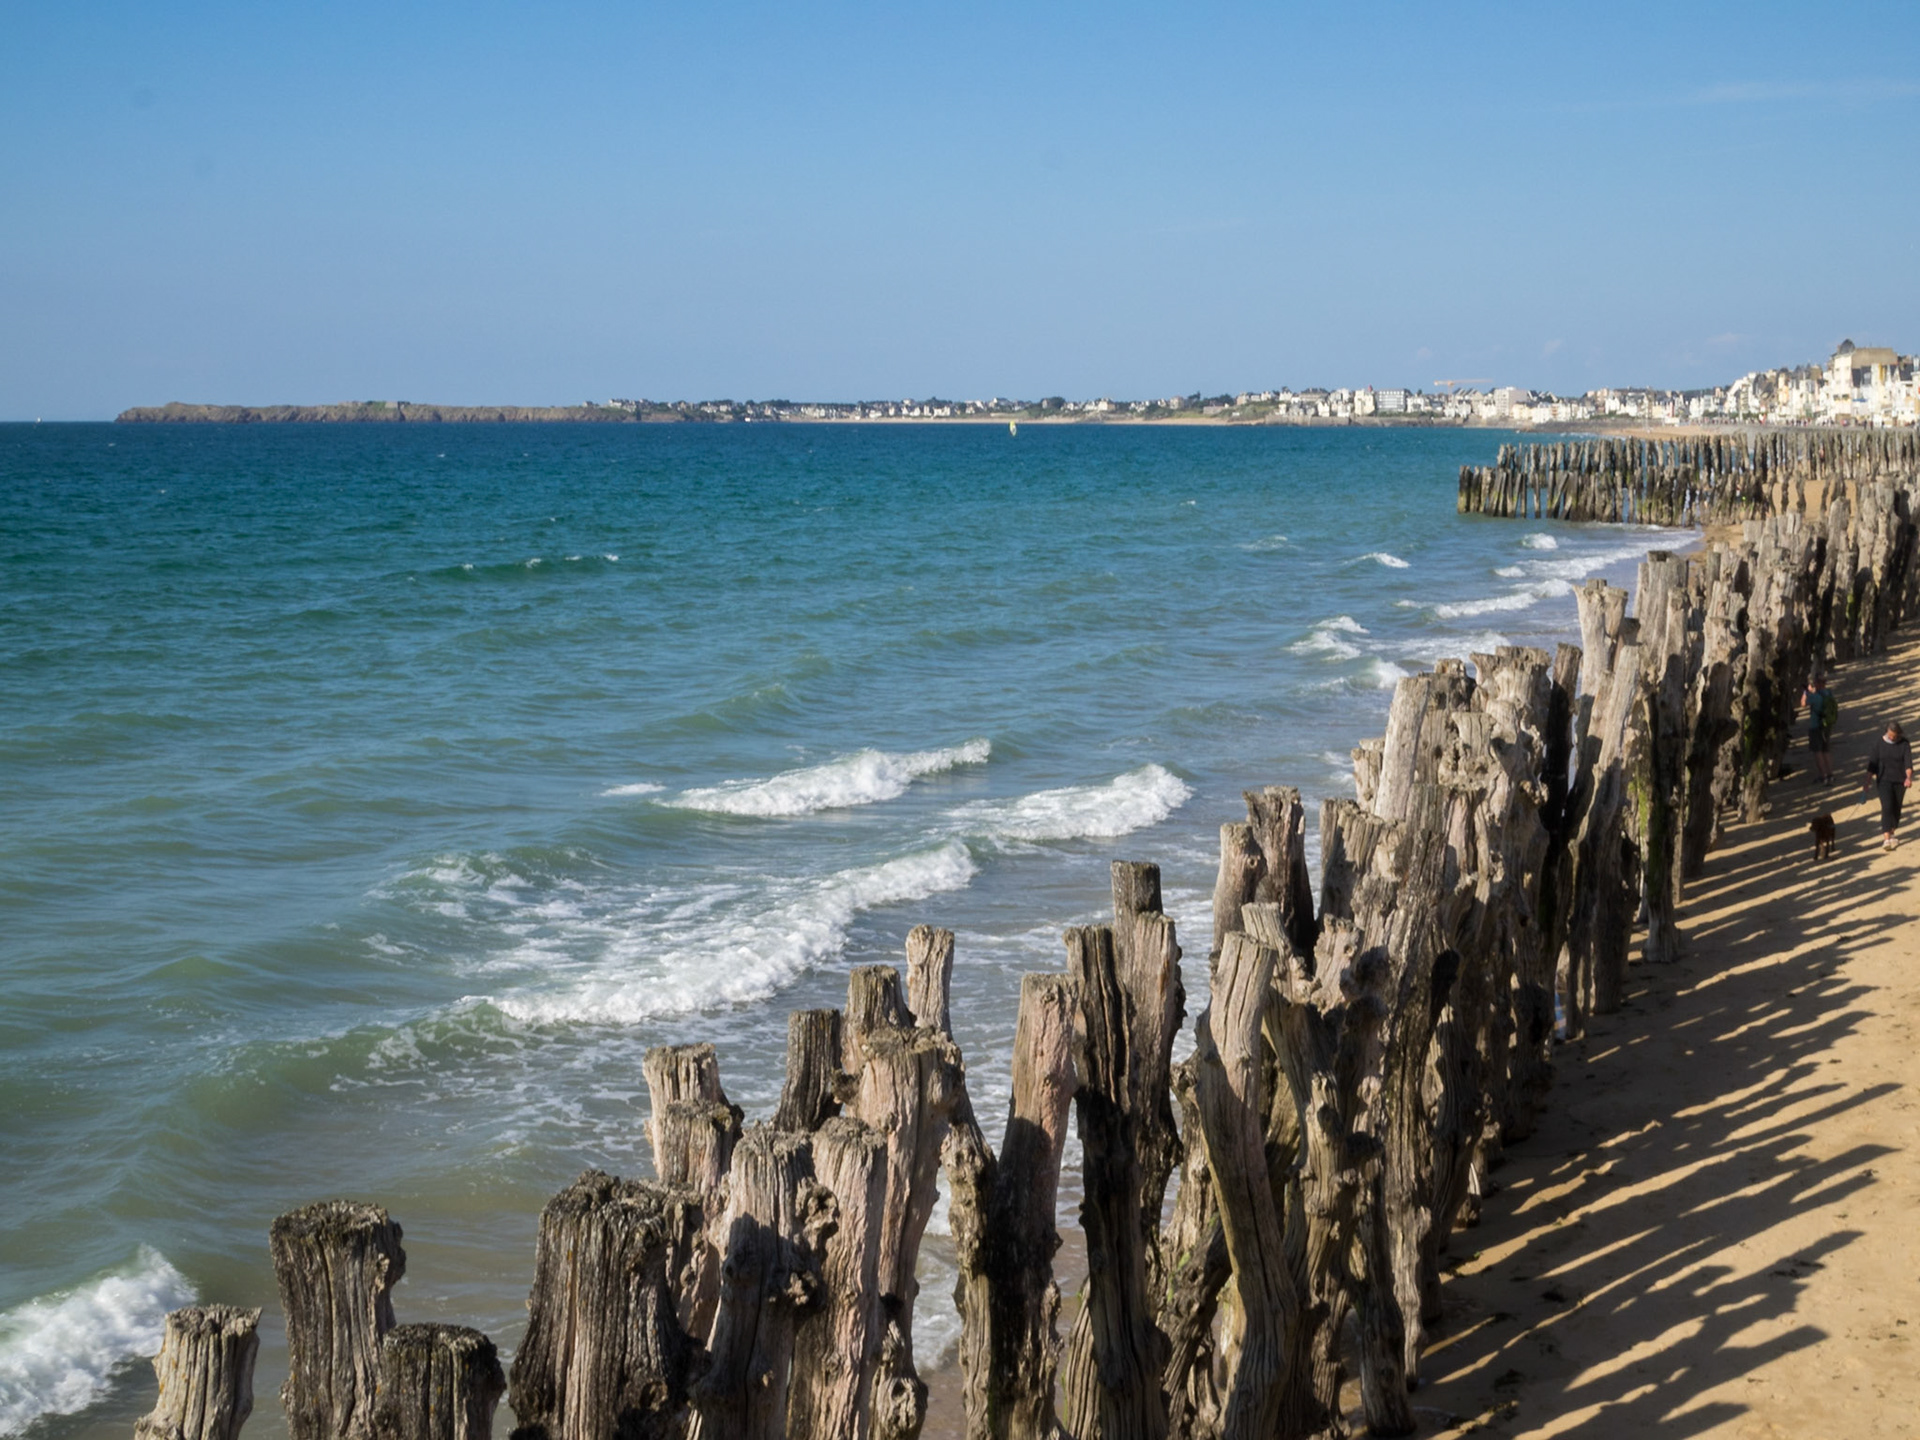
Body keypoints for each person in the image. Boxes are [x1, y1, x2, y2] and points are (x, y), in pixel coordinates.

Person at [1867, 721, 1912, 851]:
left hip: (1899, 781)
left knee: (1896, 808)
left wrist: (1908, 778)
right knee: (1887, 807)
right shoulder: (1879, 743)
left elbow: (1908, 763)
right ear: (1886, 732)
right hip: (1884, 780)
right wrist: (1867, 781)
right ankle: (1886, 838)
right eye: (1890, 735)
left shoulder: (1904, 744)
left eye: (1894, 735)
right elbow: (1872, 764)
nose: (1892, 737)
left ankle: (1892, 832)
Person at [1802, 670, 1837, 783]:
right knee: (1826, 750)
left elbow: (1803, 703)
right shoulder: (1828, 693)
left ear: (1817, 683)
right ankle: (1830, 774)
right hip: (1827, 725)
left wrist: (1805, 692)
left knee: (1818, 752)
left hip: (1816, 726)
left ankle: (1823, 775)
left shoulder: (1815, 697)